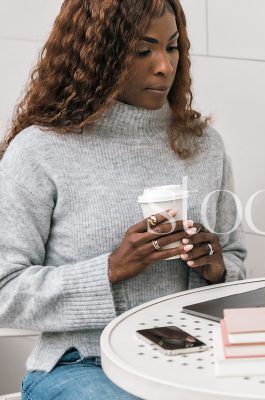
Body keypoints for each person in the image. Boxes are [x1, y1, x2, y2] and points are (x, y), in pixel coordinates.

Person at [0, 1, 246, 398]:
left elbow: (235, 262)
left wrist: (216, 268)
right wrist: (111, 269)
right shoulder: (40, 151)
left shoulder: (203, 145)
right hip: (83, 364)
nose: (165, 66)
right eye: (143, 50)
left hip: (193, 359)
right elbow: (4, 290)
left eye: (173, 46)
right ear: (98, 55)